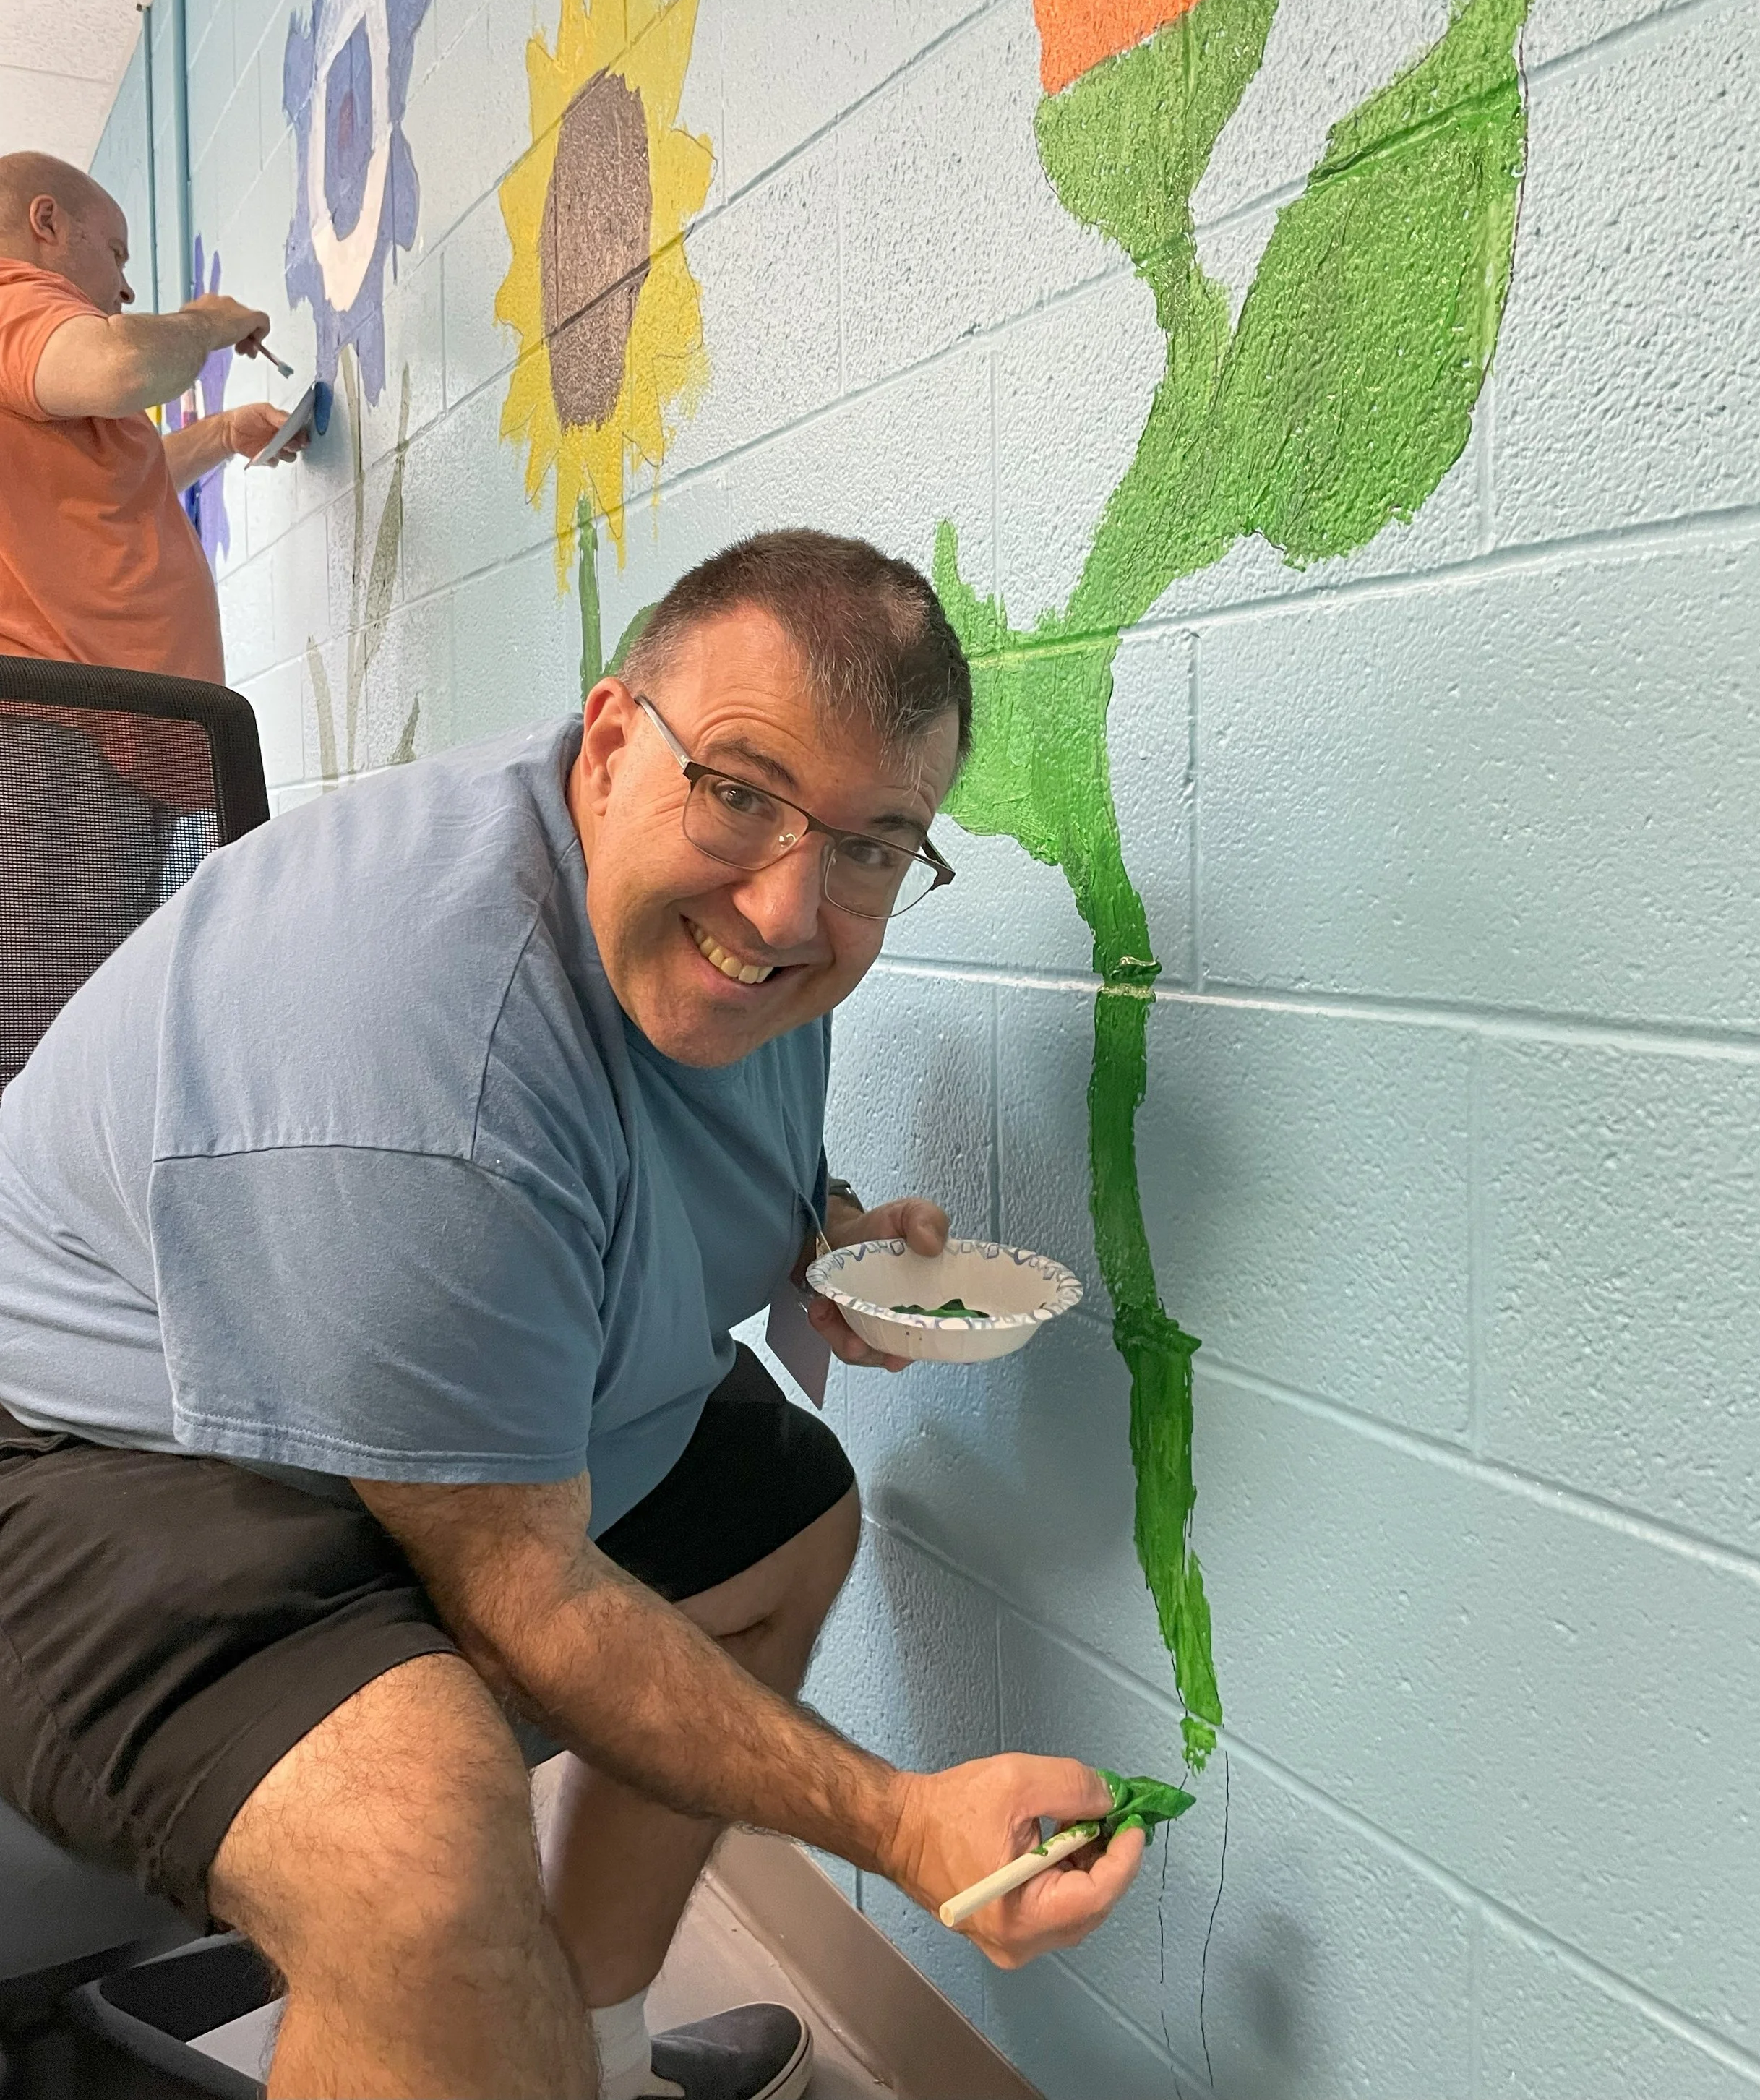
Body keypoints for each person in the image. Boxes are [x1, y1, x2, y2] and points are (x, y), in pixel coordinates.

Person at [0, 531, 1143, 2100]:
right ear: (610, 743)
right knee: (423, 1876)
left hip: (400, 1375)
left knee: (786, 1521)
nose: (789, 905)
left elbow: (680, 1126)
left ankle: (595, 2056)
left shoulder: (710, 930)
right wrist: (901, 1819)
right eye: (738, 790)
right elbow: (519, 1589)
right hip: (105, 1440)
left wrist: (826, 1231)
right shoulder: (425, 1036)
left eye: (875, 843)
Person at [0, 148, 306, 682]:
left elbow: (111, 489)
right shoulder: (12, 298)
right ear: (46, 221)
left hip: (107, 736)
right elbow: (126, 364)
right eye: (116, 253)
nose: (126, 287)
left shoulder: (41, 366)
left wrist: (224, 434)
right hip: (72, 739)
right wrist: (205, 322)